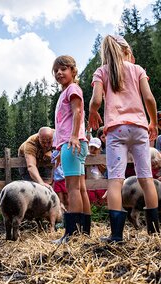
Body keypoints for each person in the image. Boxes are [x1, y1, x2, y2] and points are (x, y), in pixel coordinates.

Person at [89, 35, 159, 242]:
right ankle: (154, 232)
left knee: (115, 181)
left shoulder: (101, 72)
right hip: (139, 128)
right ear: (127, 51)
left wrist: (93, 112)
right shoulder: (137, 70)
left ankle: (116, 235)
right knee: (146, 178)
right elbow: (149, 98)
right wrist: (153, 122)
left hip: (116, 130)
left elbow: (96, 100)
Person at [52, 55, 90, 243]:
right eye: (56, 70)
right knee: (80, 188)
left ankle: (71, 233)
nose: (59, 73)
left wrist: (73, 136)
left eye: (64, 69)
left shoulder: (73, 89)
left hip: (72, 142)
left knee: (72, 188)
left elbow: (77, 112)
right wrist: (59, 150)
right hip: (70, 144)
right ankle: (84, 231)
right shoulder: (65, 92)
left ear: (73, 71)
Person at [86, 137, 107, 206]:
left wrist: (97, 161)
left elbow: (103, 170)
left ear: (99, 149)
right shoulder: (87, 158)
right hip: (89, 184)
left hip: (100, 182)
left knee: (102, 201)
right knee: (92, 201)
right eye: (91, 148)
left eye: (95, 148)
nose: (93, 150)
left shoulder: (102, 158)